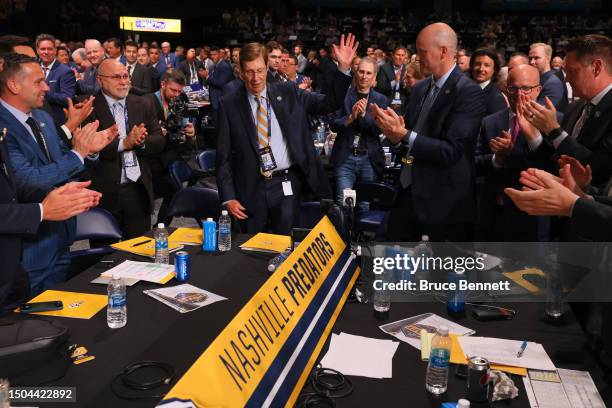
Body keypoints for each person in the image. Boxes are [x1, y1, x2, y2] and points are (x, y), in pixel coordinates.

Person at [216, 34, 357, 234]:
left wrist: (343, 68)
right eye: (249, 72)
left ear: (267, 67)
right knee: (250, 251)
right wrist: (228, 197)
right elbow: (223, 156)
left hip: (286, 186)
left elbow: (329, 103)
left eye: (259, 71)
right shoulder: (229, 103)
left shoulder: (289, 92)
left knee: (286, 247)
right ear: (240, 72)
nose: (255, 78)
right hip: (250, 189)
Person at [0, 53, 115, 292]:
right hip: (30, 245)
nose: (46, 88)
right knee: (27, 317)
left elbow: (62, 159)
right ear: (13, 85)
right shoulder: (3, 127)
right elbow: (27, 181)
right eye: (38, 82)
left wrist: (88, 151)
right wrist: (78, 154)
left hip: (62, 236)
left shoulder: (42, 116)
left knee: (57, 313)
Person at [371, 22, 485, 242]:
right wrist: (395, 136)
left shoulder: (468, 92)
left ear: (443, 51)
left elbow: (450, 151)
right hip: (407, 191)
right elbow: (410, 140)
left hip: (443, 202)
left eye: (422, 51)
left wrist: (403, 134)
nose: (416, 56)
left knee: (436, 273)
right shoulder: (421, 88)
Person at [85, 59, 165, 238]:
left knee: (139, 252)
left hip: (137, 190)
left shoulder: (143, 103)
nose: (123, 82)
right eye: (116, 77)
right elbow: (87, 147)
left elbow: (159, 140)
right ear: (100, 80)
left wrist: (141, 142)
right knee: (104, 257)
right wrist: (124, 144)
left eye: (125, 76)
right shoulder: (87, 107)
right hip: (104, 193)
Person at [475, 64, 554, 241]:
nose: (519, 94)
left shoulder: (553, 123)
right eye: (513, 88)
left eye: (526, 88)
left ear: (538, 90)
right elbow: (474, 163)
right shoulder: (490, 122)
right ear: (505, 89)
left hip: (531, 221)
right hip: (493, 216)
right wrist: (497, 159)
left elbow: (550, 168)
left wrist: (514, 152)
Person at [523, 34, 612, 188]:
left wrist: (554, 130)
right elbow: (558, 159)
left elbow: (598, 170)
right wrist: (534, 137)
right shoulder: (575, 107)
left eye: (571, 71)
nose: (566, 79)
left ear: (596, 68)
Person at [330, 57, 387, 211]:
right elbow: (333, 125)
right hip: (345, 157)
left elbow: (378, 130)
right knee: (343, 204)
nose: (364, 76)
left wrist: (363, 116)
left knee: (365, 205)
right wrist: (351, 117)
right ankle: (344, 235)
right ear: (355, 72)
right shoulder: (344, 96)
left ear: (374, 77)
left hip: (369, 158)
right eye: (361, 71)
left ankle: (361, 236)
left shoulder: (381, 100)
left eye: (368, 73)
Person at [144, 69, 196, 224]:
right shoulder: (146, 102)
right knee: (146, 204)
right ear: (162, 84)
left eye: (179, 91)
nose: (176, 94)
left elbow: (184, 139)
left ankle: (161, 227)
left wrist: (191, 134)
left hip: (169, 160)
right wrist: (157, 133)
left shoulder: (179, 102)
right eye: (173, 90)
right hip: (150, 162)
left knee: (173, 193)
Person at [35, 33, 77, 126]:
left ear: (55, 50)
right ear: (37, 50)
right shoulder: (34, 68)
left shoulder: (65, 71)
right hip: (35, 119)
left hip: (55, 121)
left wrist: (42, 93)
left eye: (49, 49)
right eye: (42, 49)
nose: (46, 52)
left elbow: (68, 98)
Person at [529, 43, 568, 112]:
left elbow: (538, 113)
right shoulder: (537, 79)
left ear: (548, 59)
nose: (532, 62)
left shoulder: (553, 83)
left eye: (536, 58)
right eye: (530, 58)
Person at [469, 48, 507, 116]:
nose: (481, 69)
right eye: (477, 64)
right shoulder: (462, 89)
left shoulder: (497, 98)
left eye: (486, 65)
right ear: (471, 66)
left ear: (494, 69)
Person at [375, 46, 409, 115]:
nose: (400, 57)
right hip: (387, 104)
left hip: (403, 106)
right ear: (393, 56)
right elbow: (380, 88)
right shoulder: (384, 68)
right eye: (398, 55)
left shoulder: (408, 69)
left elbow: (410, 91)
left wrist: (406, 84)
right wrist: (395, 81)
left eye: (402, 55)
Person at [202, 46, 234, 112]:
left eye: (215, 54)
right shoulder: (214, 66)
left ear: (219, 55)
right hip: (214, 100)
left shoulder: (224, 66)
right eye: (211, 55)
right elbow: (212, 80)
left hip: (220, 101)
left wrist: (207, 77)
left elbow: (221, 83)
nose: (213, 57)